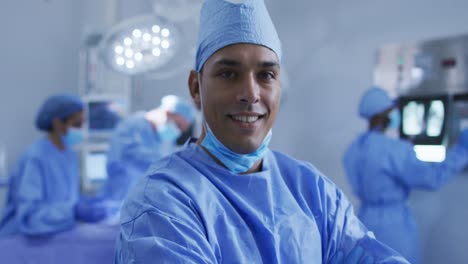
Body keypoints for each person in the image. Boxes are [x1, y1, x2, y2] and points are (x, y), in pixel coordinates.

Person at [116, 0, 409, 263]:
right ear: (195, 87)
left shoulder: (312, 191)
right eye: (228, 73)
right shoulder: (163, 202)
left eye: (266, 75)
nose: (250, 94)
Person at [343, 86, 468, 264]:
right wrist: (462, 151)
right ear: (382, 114)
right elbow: (432, 178)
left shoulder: (353, 149)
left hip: (363, 222)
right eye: (391, 109)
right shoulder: (393, 150)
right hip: (393, 228)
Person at [0, 94, 85, 237]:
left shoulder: (69, 154)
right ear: (58, 123)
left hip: (56, 233)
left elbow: (68, 199)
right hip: (24, 240)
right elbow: (31, 217)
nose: (82, 129)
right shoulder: (35, 157)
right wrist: (72, 211)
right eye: (77, 124)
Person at [101, 94, 195, 202]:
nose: (177, 132)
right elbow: (128, 159)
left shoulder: (167, 140)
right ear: (167, 113)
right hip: (121, 199)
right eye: (178, 125)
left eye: (181, 130)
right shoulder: (133, 126)